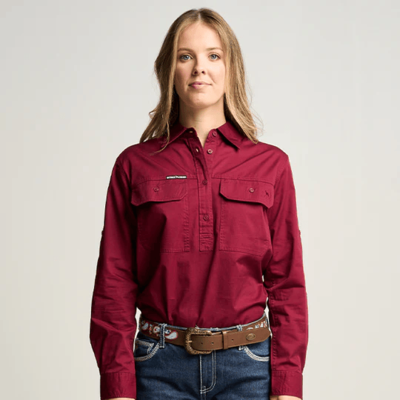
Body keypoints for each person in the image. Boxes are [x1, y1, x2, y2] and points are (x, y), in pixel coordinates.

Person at [89, 7, 309, 400]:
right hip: (158, 369)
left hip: (250, 370)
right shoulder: (135, 165)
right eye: (185, 56)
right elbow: (114, 282)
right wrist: (117, 385)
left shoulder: (271, 165)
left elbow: (287, 282)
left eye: (213, 55)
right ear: (168, 70)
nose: (199, 68)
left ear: (230, 67)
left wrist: (288, 384)